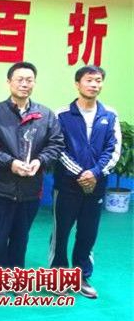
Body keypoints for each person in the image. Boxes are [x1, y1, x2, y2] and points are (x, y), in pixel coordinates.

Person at [0, 62, 63, 273]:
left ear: (34, 83)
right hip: (0, 188)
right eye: (20, 79)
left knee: (21, 237)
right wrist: (10, 163)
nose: (24, 84)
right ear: (9, 82)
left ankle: (16, 276)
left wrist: (40, 161)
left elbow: (56, 145)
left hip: (31, 189)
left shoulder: (46, 115)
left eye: (29, 80)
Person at [49, 65, 121, 299]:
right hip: (66, 186)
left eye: (98, 80)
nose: (94, 85)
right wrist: (81, 173)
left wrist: (95, 173)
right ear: (77, 84)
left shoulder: (110, 115)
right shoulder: (61, 115)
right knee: (60, 233)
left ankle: (81, 277)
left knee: (88, 233)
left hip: (96, 186)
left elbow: (113, 150)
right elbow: (58, 148)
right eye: (89, 80)